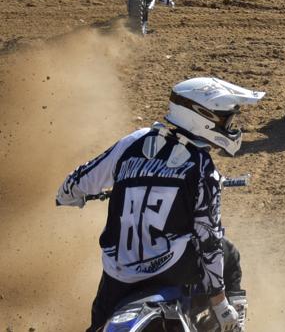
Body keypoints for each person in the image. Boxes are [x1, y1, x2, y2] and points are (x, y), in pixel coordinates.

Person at [56, 76, 263, 332]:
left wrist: (70, 196)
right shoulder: (201, 167)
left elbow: (73, 184)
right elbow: (208, 240)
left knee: (98, 327)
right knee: (227, 251)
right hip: (171, 270)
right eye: (223, 119)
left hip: (118, 278)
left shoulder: (133, 142)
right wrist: (221, 305)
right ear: (201, 116)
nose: (228, 126)